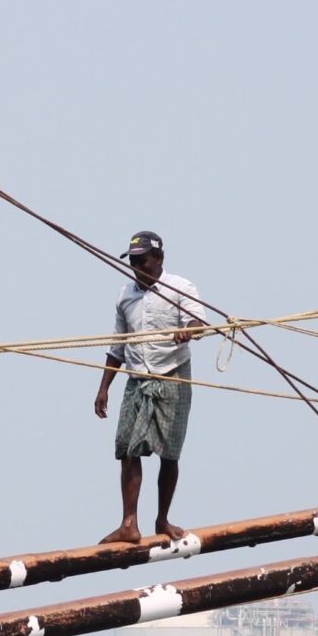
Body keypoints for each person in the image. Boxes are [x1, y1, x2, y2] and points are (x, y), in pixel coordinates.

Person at [94, 230, 207, 545]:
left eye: (142, 260)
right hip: (137, 378)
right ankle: (129, 523)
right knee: (128, 450)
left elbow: (200, 323)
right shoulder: (125, 296)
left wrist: (188, 331)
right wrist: (104, 388)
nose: (136, 266)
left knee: (169, 453)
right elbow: (117, 345)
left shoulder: (180, 287)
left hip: (172, 374)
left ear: (159, 259)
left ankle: (162, 519)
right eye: (132, 261)